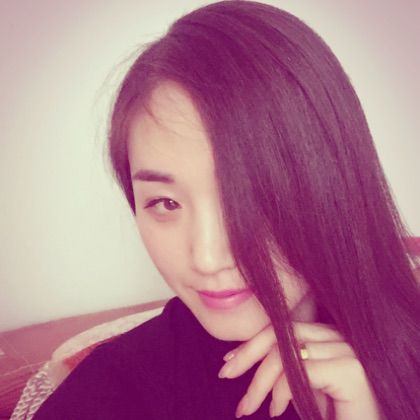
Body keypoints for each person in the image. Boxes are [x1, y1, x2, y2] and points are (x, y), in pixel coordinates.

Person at [33, 1, 420, 419]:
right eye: (165, 203)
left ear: (332, 182)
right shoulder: (110, 394)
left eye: (249, 199)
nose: (206, 258)